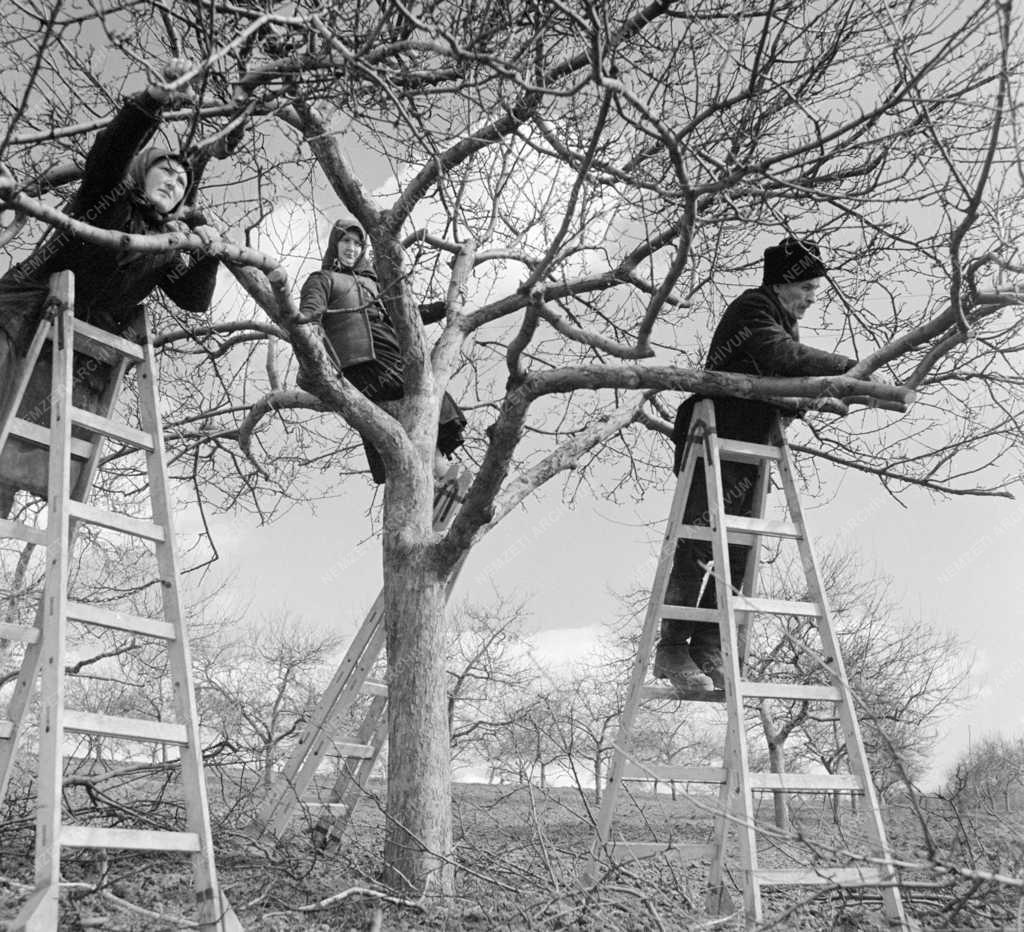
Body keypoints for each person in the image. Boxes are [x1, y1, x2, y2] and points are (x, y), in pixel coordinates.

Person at [0, 59, 220, 507]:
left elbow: (195, 300)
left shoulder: (165, 246)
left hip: (71, 351)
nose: (175, 183)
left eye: (182, 183)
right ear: (142, 172)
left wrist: (206, 253)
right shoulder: (108, 196)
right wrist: (151, 102)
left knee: (16, 460)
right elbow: (111, 151)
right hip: (21, 317)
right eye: (166, 172)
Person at [655, 237, 866, 694]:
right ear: (785, 282)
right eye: (807, 287)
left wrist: (816, 396)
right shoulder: (752, 309)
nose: (812, 298)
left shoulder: (780, 320)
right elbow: (779, 357)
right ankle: (672, 646)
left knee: (739, 551)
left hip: (749, 448)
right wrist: (852, 369)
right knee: (698, 544)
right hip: (712, 439)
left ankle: (709, 644)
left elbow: (777, 378)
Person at [298, 217, 467, 482]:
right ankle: (439, 474)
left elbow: (408, 314)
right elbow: (308, 321)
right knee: (419, 398)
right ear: (335, 244)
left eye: (357, 243)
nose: (351, 248)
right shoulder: (323, 280)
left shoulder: (376, 284)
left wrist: (445, 307)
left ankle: (437, 475)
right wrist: (315, 362)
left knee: (419, 404)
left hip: (390, 350)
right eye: (345, 241)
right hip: (360, 361)